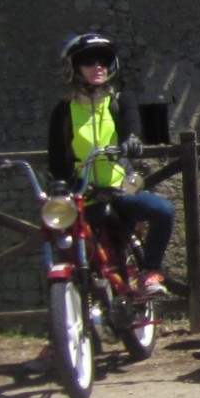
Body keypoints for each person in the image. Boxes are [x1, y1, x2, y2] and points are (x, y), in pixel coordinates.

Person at [47, 32, 174, 297]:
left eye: (103, 61)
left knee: (163, 209)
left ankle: (150, 271)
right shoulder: (63, 111)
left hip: (121, 185)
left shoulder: (119, 101)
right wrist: (73, 186)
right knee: (62, 234)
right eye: (89, 61)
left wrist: (132, 140)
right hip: (85, 193)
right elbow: (57, 162)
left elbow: (132, 125)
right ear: (73, 68)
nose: (98, 67)